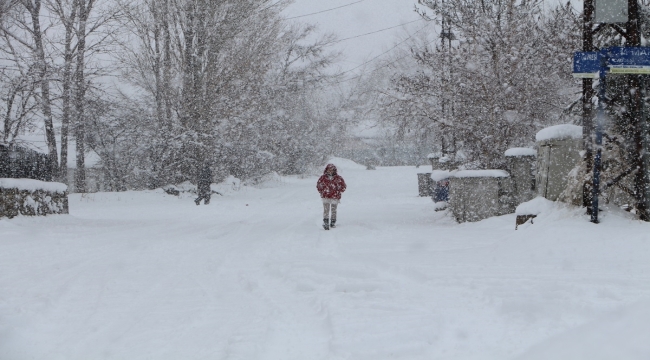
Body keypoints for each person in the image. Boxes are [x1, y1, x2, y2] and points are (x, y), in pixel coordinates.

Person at [316, 164, 346, 230]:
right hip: (326, 197)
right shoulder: (323, 178)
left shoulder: (338, 178)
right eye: (329, 169)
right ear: (326, 170)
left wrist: (338, 190)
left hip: (335, 197)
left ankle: (333, 222)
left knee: (333, 210)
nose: (330, 171)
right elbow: (318, 185)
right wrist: (322, 191)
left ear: (334, 170)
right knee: (326, 210)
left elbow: (343, 187)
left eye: (332, 169)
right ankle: (326, 222)